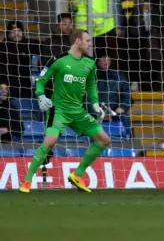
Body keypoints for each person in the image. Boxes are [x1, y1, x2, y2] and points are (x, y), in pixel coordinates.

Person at [19, 30, 108, 193]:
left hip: (78, 111)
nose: (90, 44)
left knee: (104, 140)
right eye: (87, 41)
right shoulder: (58, 60)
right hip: (58, 109)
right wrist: (41, 96)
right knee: (50, 141)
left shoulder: (90, 63)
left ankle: (77, 175)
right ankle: (27, 180)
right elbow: (40, 80)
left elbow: (91, 86)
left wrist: (95, 105)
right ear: (77, 41)